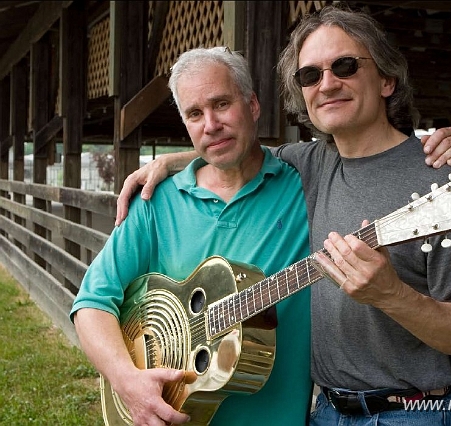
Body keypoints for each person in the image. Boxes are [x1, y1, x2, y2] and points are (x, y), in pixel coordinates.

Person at [114, 6, 451, 426]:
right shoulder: (312, 162)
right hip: (325, 411)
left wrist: (391, 295)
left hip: (409, 413)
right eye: (310, 75)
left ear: (387, 79)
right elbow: (235, 146)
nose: (328, 84)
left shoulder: (443, 180)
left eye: (346, 66)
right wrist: (171, 162)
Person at [70, 47, 313, 426]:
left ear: (252, 105)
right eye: (195, 114)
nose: (210, 124)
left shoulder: (304, 189)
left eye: (221, 104)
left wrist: (440, 143)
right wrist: (127, 380)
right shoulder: (156, 201)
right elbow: (92, 302)